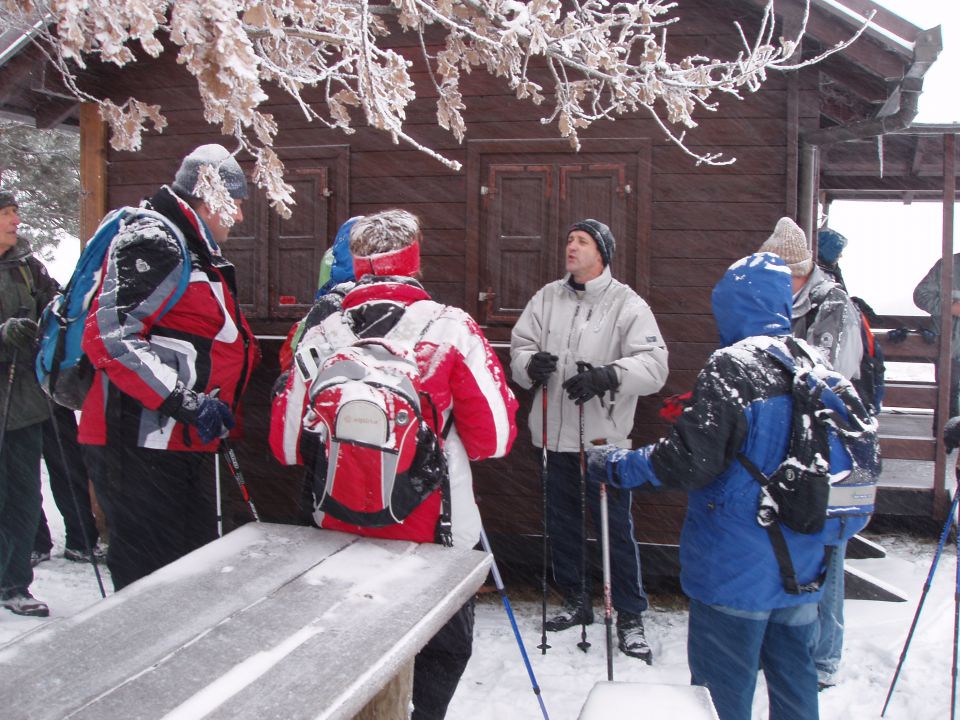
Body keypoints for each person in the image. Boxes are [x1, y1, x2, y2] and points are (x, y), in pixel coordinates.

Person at [270, 209, 517, 720]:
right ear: (415, 257)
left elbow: (285, 446)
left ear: (357, 264)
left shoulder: (322, 334)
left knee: (349, 663)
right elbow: (494, 438)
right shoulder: (451, 329)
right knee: (439, 657)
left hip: (339, 535)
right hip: (434, 539)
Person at [589, 252, 828, 720]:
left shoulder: (733, 366)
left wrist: (617, 466)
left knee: (722, 696)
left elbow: (686, 463)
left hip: (735, 565)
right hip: (801, 562)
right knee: (796, 682)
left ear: (732, 306)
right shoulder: (811, 361)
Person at [78, 144, 259, 591]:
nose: (238, 217)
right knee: (151, 577)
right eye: (234, 205)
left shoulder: (193, 246)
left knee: (185, 570)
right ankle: (139, 656)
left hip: (174, 441)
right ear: (208, 198)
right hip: (138, 442)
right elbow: (110, 336)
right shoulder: (155, 242)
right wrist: (185, 402)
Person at [509, 218, 669, 662]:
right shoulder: (546, 297)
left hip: (602, 440)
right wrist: (529, 366)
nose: (571, 247)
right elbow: (519, 346)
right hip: (551, 435)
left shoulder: (627, 304)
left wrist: (608, 376)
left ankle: (630, 613)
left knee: (615, 530)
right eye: (569, 240)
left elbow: (655, 366)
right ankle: (576, 600)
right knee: (562, 524)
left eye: (581, 241)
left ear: (602, 253)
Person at [759, 216, 864, 690]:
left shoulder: (832, 305)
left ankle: (823, 659)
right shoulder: (783, 304)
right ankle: (790, 650)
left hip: (830, 451)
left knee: (827, 551)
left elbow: (825, 378)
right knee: (794, 547)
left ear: (795, 271)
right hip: (790, 447)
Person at [0, 188, 58, 616]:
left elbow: (55, 309)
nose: (15, 220)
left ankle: (14, 583)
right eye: (6, 213)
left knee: (22, 496)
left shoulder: (28, 268)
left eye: (16, 212)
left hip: (23, 405)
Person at [32, 404, 104, 565]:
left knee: (68, 468)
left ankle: (81, 540)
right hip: (20, 406)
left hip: (49, 399)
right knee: (22, 476)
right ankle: (32, 541)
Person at [914, 254, 960, 417]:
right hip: (949, 351)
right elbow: (920, 296)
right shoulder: (947, 266)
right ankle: (947, 441)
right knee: (947, 400)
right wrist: (950, 307)